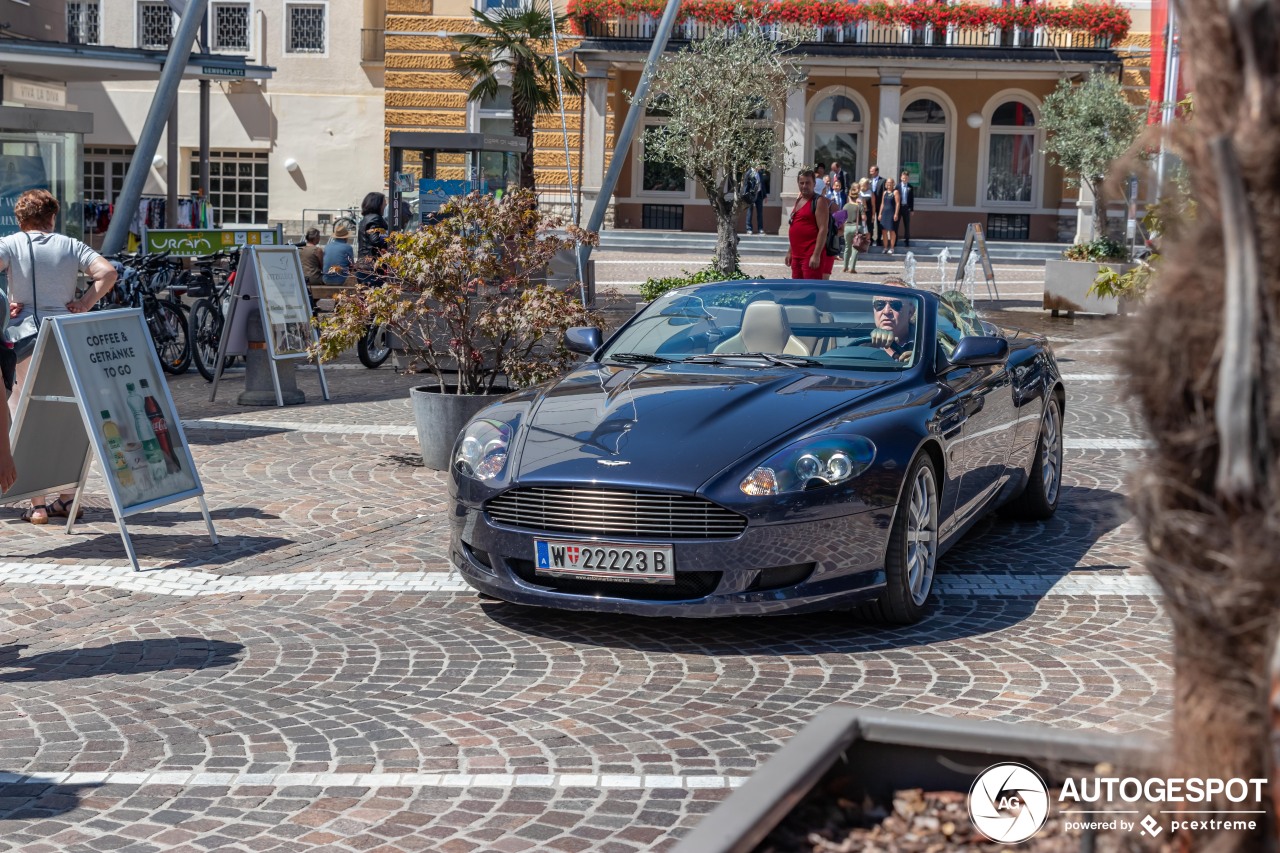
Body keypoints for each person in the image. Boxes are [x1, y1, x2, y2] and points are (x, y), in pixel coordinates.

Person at [0, 189, 116, 523]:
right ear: (52, 218)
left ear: (21, 220)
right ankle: (68, 499)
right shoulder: (71, 245)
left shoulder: (11, 243)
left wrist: (5, 304)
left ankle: (37, 505)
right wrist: (83, 304)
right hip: (67, 335)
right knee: (70, 415)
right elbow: (107, 273)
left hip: (27, 337)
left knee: (23, 415)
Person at [785, 169, 834, 280]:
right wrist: (789, 252)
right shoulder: (799, 200)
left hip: (810, 254)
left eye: (808, 183)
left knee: (811, 291)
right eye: (802, 183)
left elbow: (823, 229)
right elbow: (794, 226)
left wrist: (816, 255)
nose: (804, 186)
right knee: (797, 290)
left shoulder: (819, 201)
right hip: (797, 255)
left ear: (814, 184)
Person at [868, 292, 915, 361]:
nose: (886, 311)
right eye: (879, 305)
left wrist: (920, 361)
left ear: (910, 311)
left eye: (896, 305)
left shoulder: (925, 345)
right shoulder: (860, 346)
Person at [356, 191, 390, 285]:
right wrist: (390, 239)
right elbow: (375, 239)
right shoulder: (375, 218)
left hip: (363, 265)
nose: (385, 204)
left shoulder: (366, 218)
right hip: (372, 266)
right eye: (384, 202)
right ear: (377, 204)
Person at [841, 191, 867, 274]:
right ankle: (852, 267)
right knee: (855, 248)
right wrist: (862, 205)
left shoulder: (845, 206)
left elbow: (842, 218)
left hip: (847, 228)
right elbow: (864, 218)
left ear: (849, 197)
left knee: (847, 247)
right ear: (857, 197)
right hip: (856, 228)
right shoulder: (859, 206)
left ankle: (845, 267)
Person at [322, 221, 354, 286]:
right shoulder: (348, 247)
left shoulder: (327, 246)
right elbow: (352, 265)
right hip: (341, 280)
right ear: (346, 237)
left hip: (326, 279)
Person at [299, 227, 324, 307]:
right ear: (315, 238)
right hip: (314, 278)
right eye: (319, 236)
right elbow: (322, 266)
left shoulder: (300, 249)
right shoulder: (317, 250)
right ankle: (313, 304)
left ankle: (311, 304)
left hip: (302, 278)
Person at [880, 177, 901, 255]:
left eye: (890, 182)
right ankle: (885, 247)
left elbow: (898, 203)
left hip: (891, 213)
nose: (889, 184)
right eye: (888, 182)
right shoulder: (884, 193)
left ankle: (892, 248)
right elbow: (882, 203)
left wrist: (896, 214)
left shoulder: (895, 192)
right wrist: (880, 213)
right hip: (884, 213)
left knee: (892, 231)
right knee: (884, 231)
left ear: (893, 184)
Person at [742, 165, 766, 235]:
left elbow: (762, 184)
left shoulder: (760, 173)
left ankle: (760, 229)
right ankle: (749, 229)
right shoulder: (749, 173)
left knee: (760, 213)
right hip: (751, 195)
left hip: (759, 195)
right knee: (749, 212)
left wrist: (765, 195)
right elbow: (746, 185)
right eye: (758, 163)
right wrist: (745, 195)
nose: (759, 165)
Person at [867, 165, 885, 246]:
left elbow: (884, 193)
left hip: (880, 204)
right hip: (871, 205)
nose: (870, 172)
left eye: (872, 171)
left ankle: (878, 239)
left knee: (879, 222)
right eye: (870, 171)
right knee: (870, 222)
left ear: (877, 171)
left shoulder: (883, 181)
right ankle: (870, 238)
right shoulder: (869, 181)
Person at [898, 170, 914, 247]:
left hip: (906, 208)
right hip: (899, 207)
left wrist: (912, 209)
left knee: (907, 224)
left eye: (906, 178)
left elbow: (911, 199)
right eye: (903, 178)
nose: (905, 180)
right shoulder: (897, 187)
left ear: (908, 179)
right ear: (901, 178)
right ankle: (895, 239)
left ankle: (907, 240)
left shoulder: (910, 187)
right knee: (896, 224)